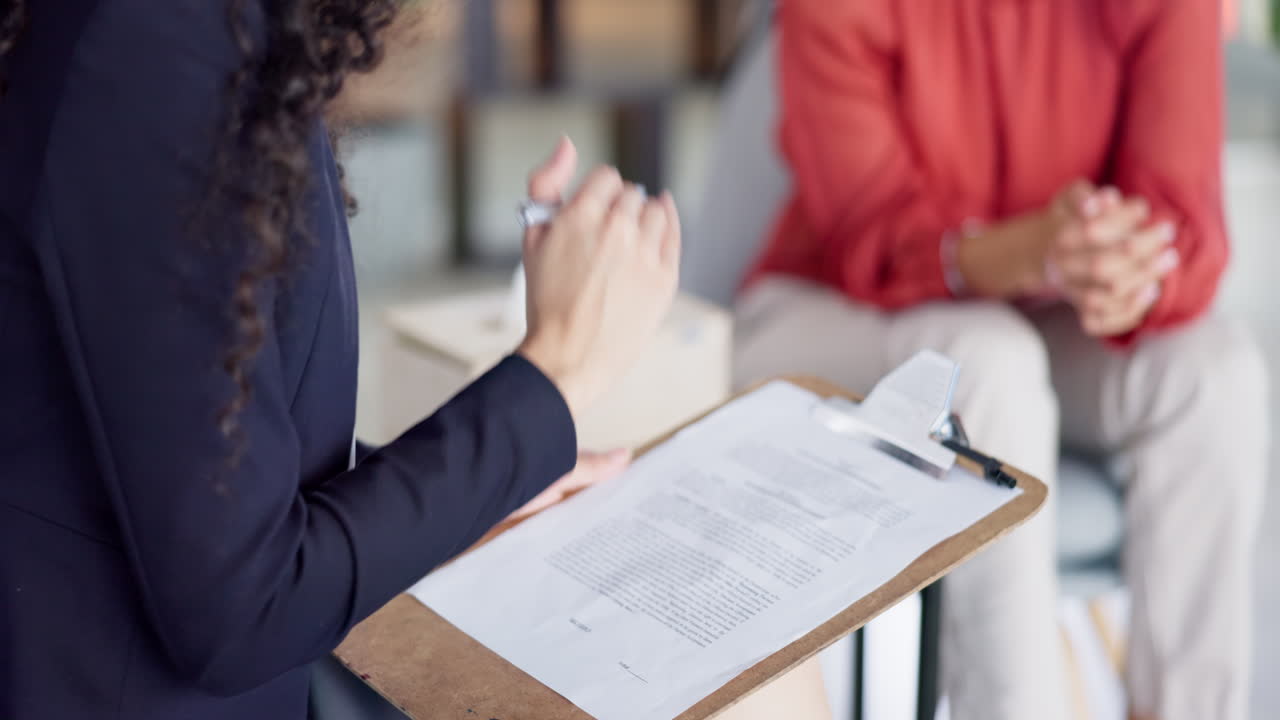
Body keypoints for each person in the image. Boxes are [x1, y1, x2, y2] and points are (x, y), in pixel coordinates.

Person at [0, 1, 681, 718]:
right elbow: (243, 611)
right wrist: (558, 369)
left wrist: (482, 488)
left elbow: (200, 439)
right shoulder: (154, 37)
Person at [733, 2, 1269, 720]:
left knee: (1217, 372)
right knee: (988, 360)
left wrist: (1131, 272)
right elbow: (873, 237)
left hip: (1048, 310)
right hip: (832, 308)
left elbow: (1185, 224)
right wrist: (1035, 250)